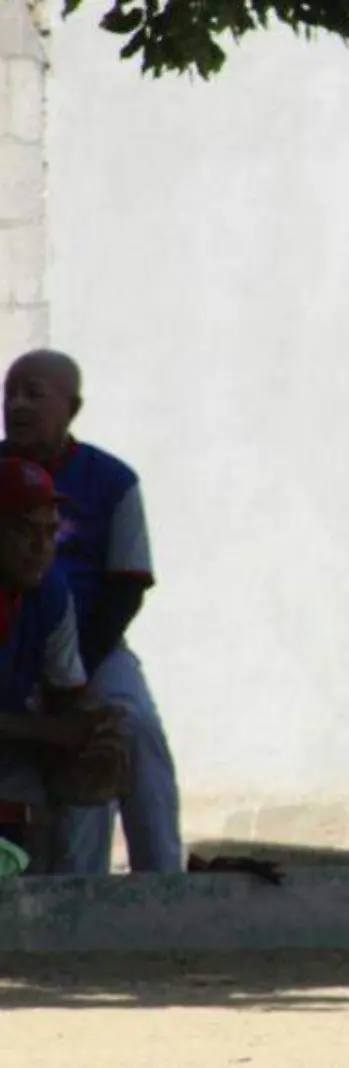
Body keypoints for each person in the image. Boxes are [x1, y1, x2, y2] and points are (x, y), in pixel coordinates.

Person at [0, 349, 181, 874]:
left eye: (35, 393)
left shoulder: (114, 482)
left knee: (128, 730)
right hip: (17, 645)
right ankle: (71, 885)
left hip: (88, 641)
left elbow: (126, 589)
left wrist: (74, 686)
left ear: (72, 408)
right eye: (11, 392)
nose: (18, 404)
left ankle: (163, 879)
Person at [0, 457, 124, 867]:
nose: (41, 547)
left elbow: (68, 691)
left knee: (90, 787)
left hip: (11, 753)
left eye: (51, 532)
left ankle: (81, 913)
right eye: (24, 529)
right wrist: (53, 733)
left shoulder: (50, 594)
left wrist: (94, 729)